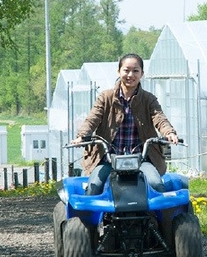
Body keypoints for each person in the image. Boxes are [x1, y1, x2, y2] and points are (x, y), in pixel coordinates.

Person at [71, 53, 179, 195]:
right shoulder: (105, 97)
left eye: (135, 71)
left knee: (156, 184)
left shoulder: (148, 99)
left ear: (142, 74)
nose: (130, 75)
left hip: (141, 158)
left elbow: (159, 118)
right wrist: (82, 136)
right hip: (108, 157)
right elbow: (92, 119)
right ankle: (89, 218)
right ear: (119, 71)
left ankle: (157, 217)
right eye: (126, 70)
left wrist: (169, 133)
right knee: (94, 186)